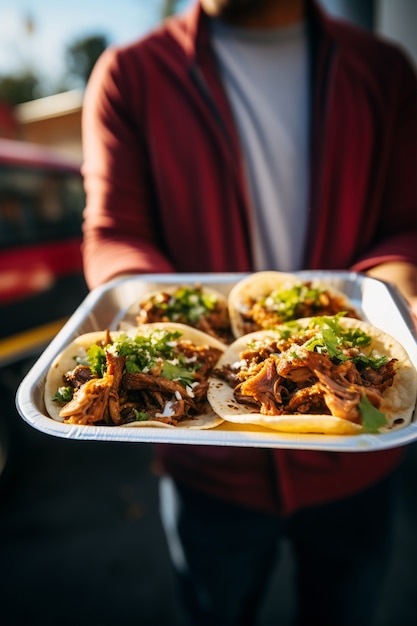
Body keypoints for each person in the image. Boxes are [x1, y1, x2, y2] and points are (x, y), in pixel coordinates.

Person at [81, 1, 417, 624]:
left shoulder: (382, 69)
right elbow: (114, 230)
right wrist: (149, 317)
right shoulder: (131, 72)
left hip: (360, 456)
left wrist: (401, 298)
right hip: (208, 475)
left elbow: (403, 224)